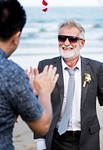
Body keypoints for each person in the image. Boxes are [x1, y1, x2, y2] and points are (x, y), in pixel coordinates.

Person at [34, 19, 103, 150]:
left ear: (82, 43)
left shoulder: (96, 68)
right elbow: (37, 104)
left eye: (72, 39)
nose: (66, 43)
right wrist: (40, 140)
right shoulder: (46, 66)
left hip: (88, 138)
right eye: (62, 38)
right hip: (56, 139)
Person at [0, 0, 59, 149]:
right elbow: (42, 126)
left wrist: (23, 96)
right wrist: (44, 92)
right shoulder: (11, 73)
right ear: (16, 37)